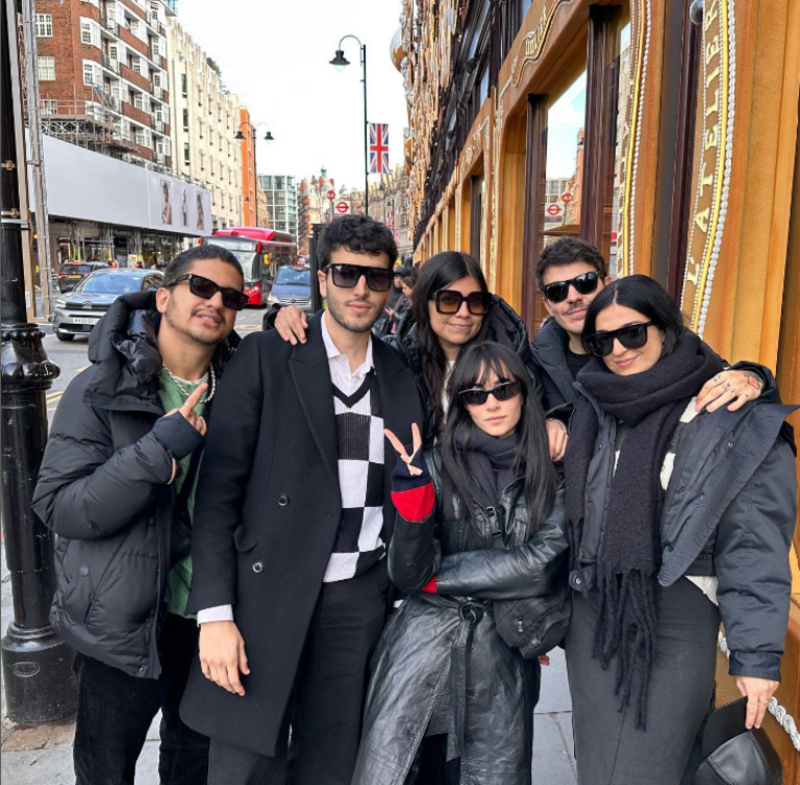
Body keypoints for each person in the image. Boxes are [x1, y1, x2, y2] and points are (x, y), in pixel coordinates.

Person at [179, 214, 423, 785]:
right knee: (245, 768)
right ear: (321, 278)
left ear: (390, 286)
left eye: (375, 277)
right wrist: (214, 613)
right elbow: (217, 494)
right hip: (265, 592)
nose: (360, 289)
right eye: (345, 274)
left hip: (358, 599)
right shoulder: (267, 356)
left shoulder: (397, 371)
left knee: (332, 764)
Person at [563, 275, 797, 785]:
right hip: (593, 612)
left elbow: (753, 543)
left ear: (666, 327)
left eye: (632, 333)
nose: (618, 351)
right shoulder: (595, 402)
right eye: (603, 341)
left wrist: (755, 657)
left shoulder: (727, 412)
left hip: (674, 616)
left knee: (641, 770)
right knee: (601, 766)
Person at [31, 244, 248, 785]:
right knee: (106, 770)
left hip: (210, 619)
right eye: (202, 287)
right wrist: (157, 451)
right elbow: (60, 507)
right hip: (122, 623)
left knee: (194, 767)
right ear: (164, 297)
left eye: (231, 296)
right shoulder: (100, 387)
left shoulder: (244, 391)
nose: (216, 302)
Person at [352, 341, 566, 784]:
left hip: (503, 651)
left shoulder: (552, 470)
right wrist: (414, 508)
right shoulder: (433, 464)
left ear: (524, 392)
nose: (492, 404)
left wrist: (441, 577)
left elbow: (540, 564)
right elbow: (407, 574)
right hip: (422, 645)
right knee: (410, 770)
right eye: (475, 394)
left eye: (503, 389)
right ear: (461, 402)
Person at [270, 250, 569, 457]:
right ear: (425, 302)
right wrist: (291, 318)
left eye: (475, 301)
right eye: (449, 300)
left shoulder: (511, 356)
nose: (463, 313)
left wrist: (555, 421)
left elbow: (548, 404)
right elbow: (344, 347)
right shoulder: (399, 360)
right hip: (421, 505)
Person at [532, 237, 766, 413]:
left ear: (608, 285)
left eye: (585, 283)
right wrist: (555, 421)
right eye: (557, 291)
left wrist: (753, 377)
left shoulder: (651, 338)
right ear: (548, 305)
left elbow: (712, 371)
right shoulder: (536, 364)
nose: (573, 297)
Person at [375, 264, 408, 334]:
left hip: (395, 328)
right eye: (396, 277)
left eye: (401, 278)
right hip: (381, 324)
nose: (398, 280)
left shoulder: (407, 293)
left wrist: (395, 315)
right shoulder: (387, 287)